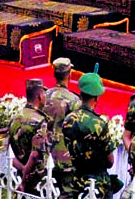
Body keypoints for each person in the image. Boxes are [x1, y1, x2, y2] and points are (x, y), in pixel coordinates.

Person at [62, 66, 118, 199]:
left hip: (75, 179)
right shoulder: (99, 124)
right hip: (97, 182)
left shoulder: (69, 119)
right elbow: (110, 161)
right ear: (97, 98)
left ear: (80, 94)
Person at [44, 58, 80, 196]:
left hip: (45, 151)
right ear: (69, 75)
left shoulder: (44, 95)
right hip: (64, 155)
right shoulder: (74, 100)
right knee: (66, 193)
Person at [10, 78, 52, 195]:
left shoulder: (16, 117)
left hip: (19, 173)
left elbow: (6, 150)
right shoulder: (40, 122)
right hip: (36, 179)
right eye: (44, 94)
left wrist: (22, 168)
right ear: (39, 96)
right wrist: (25, 176)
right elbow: (35, 155)